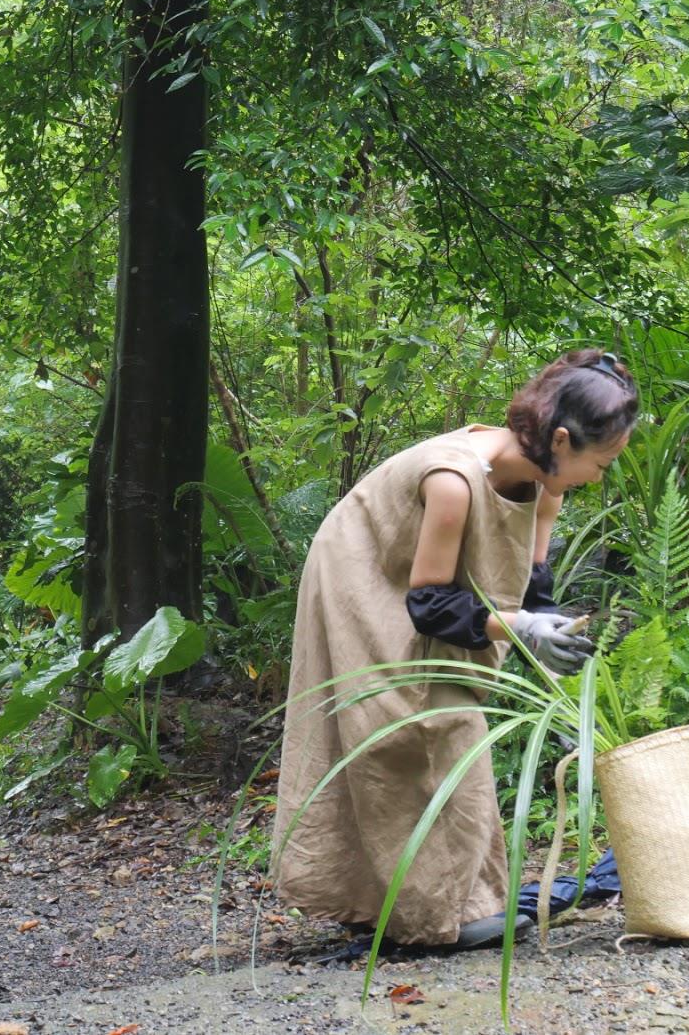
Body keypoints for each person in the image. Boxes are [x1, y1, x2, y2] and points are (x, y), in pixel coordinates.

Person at [272, 348, 639, 949]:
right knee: (403, 723)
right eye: (601, 463)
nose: (601, 477)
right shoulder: (453, 481)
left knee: (447, 712)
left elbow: (533, 586)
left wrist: (557, 676)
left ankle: (450, 902)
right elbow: (433, 606)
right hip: (364, 568)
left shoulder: (547, 482)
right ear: (563, 439)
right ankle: (433, 917)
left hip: (426, 581)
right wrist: (520, 628)